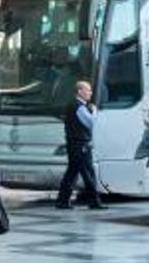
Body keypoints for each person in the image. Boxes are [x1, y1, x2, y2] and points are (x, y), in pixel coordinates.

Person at [56, 81, 107, 210]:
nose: (90, 93)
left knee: (72, 173)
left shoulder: (71, 105)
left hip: (73, 144)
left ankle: (62, 201)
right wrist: (94, 111)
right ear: (79, 91)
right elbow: (90, 123)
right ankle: (94, 202)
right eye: (88, 90)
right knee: (88, 174)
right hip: (81, 145)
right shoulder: (79, 107)